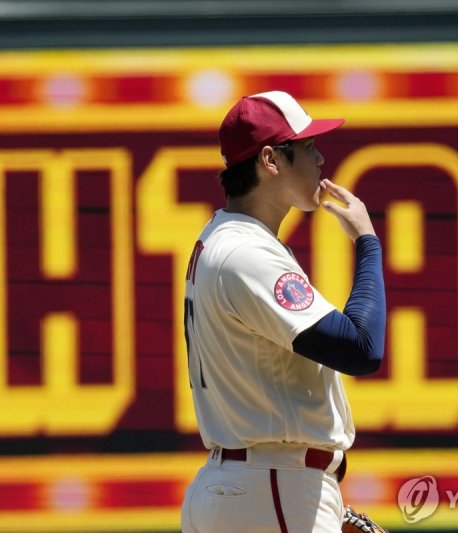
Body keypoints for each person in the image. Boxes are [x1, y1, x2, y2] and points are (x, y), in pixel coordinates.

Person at [180, 91, 387, 532]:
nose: (321, 157)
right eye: (308, 147)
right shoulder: (245, 251)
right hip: (272, 487)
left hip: (253, 486)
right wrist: (367, 243)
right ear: (271, 160)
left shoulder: (223, 238)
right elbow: (361, 348)